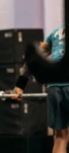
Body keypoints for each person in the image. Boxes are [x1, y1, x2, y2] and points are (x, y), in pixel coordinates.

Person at [14, 25, 67, 153]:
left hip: (54, 87)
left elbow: (33, 59)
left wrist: (20, 85)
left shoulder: (56, 32)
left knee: (61, 138)